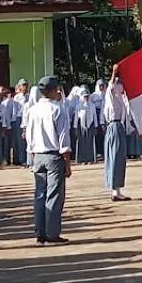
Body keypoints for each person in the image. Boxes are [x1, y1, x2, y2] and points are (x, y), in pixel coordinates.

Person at [24, 77, 71, 245]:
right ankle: (52, 233)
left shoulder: (33, 110)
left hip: (38, 155)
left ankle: (40, 232)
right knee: (54, 195)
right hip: (53, 155)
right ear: (53, 90)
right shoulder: (58, 109)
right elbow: (63, 138)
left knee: (39, 195)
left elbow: (28, 136)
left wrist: (31, 157)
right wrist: (67, 163)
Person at [103, 70, 133, 202]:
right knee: (115, 158)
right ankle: (115, 191)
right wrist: (114, 73)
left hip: (118, 127)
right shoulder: (111, 96)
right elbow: (111, 85)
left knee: (118, 159)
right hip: (114, 127)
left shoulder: (120, 99)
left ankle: (117, 190)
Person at [71, 86, 97, 164]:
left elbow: (94, 116)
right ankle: (82, 159)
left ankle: (90, 159)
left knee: (90, 143)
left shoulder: (92, 105)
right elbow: (76, 117)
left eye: (87, 96)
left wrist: (96, 126)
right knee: (81, 143)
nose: (86, 98)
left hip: (90, 125)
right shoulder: (79, 106)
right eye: (85, 97)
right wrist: (75, 127)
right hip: (81, 126)